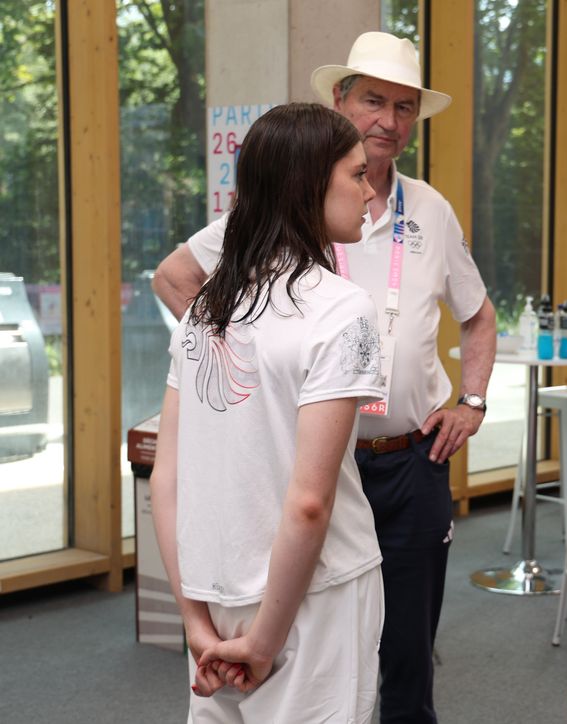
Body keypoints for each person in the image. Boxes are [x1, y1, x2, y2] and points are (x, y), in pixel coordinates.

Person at [152, 32, 497, 724]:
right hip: (301, 478)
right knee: (318, 670)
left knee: (405, 657)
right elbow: (174, 277)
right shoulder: (291, 284)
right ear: (339, 102)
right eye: (374, 101)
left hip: (406, 459)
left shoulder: (428, 210)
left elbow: (479, 316)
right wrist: (247, 368)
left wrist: (473, 402)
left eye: (405, 109)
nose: (390, 124)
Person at [150, 103, 384, 721]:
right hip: (315, 597)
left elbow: (165, 485)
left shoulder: (207, 309)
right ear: (311, 184)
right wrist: (266, 641)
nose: (370, 191)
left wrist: (196, 623)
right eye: (358, 175)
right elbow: (310, 501)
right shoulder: (342, 308)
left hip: (214, 594)